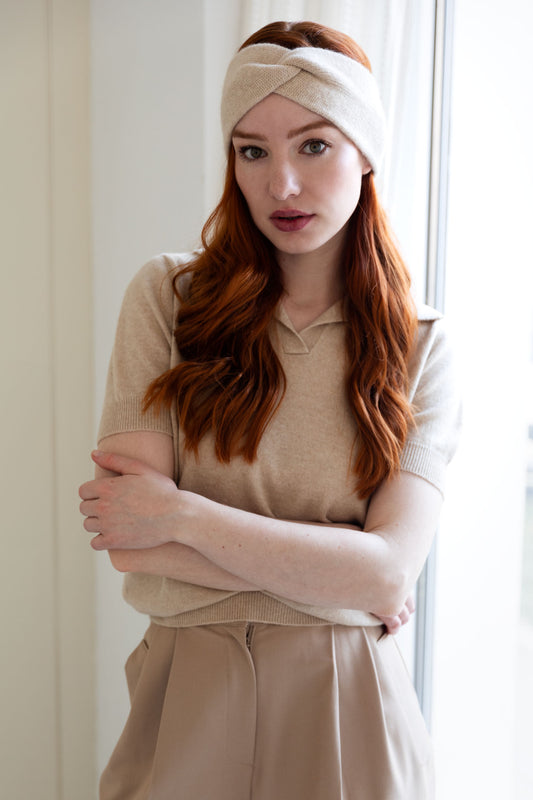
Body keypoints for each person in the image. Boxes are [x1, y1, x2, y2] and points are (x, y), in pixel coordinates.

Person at [79, 20, 460, 800]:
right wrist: (338, 571)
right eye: (251, 151)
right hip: (184, 696)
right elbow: (131, 540)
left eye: (313, 145)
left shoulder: (421, 343)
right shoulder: (167, 299)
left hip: (350, 705)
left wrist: (181, 515)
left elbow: (389, 571)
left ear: (366, 151)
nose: (280, 184)